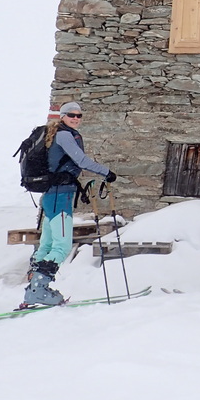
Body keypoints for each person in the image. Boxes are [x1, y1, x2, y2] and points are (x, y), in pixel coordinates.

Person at [23, 102, 117, 307]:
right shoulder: (65, 135)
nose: (76, 118)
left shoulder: (55, 134)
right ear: (63, 116)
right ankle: (39, 290)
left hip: (51, 197)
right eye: (71, 115)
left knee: (47, 244)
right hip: (60, 197)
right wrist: (107, 173)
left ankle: (34, 290)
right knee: (62, 246)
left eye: (79, 115)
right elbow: (81, 161)